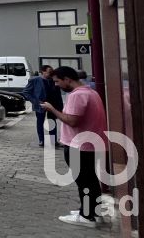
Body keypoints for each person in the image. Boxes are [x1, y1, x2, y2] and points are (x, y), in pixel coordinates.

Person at [40, 66, 108, 227]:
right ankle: (94, 213)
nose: (56, 85)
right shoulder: (91, 92)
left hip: (79, 146)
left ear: (67, 79)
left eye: (57, 81)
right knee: (91, 180)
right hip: (91, 144)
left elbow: (72, 120)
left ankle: (86, 217)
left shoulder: (77, 96)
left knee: (84, 182)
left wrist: (51, 109)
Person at [23, 66, 55, 146]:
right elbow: (26, 92)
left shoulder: (53, 80)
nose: (50, 74)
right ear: (43, 72)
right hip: (40, 105)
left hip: (51, 104)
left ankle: (53, 140)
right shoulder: (35, 80)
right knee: (40, 122)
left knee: (52, 122)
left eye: (51, 72)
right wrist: (35, 102)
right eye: (49, 72)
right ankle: (41, 140)